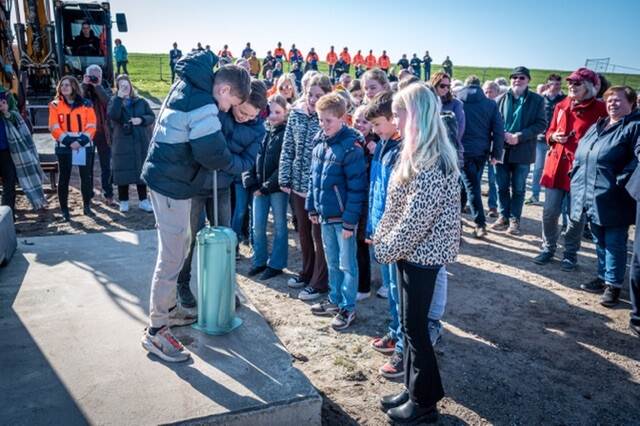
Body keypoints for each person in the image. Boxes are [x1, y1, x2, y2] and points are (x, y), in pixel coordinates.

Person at [140, 51, 251, 363]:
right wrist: (240, 163)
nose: (226, 110)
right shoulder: (202, 102)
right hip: (170, 186)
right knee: (172, 258)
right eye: (230, 104)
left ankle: (170, 311)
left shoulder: (188, 85)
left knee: (181, 245)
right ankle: (157, 330)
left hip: (169, 180)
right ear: (224, 90)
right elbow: (212, 154)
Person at [375, 83, 460, 424]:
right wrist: (384, 239)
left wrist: (384, 248)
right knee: (410, 327)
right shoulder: (418, 152)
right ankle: (413, 389)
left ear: (417, 115)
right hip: (409, 252)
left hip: (422, 254)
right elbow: (396, 208)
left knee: (415, 327)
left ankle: (425, 402)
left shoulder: (431, 160)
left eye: (399, 113)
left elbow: (415, 220)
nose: (394, 120)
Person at [176, 79, 267, 309]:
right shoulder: (220, 111)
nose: (244, 117)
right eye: (242, 111)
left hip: (222, 187)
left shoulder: (257, 129)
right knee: (190, 238)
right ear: (237, 100)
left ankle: (225, 287)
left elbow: (246, 161)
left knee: (225, 239)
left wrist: (223, 161)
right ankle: (183, 284)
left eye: (250, 115)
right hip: (195, 186)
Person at [570, 86, 639, 307]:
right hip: (589, 192)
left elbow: (636, 160)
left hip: (614, 195)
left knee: (614, 241)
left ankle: (614, 285)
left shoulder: (634, 127)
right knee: (599, 238)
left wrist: (621, 180)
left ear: (632, 103)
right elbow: (583, 151)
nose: (612, 104)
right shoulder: (599, 124)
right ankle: (603, 277)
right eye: (609, 100)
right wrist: (575, 171)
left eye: (618, 100)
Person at [533, 69, 606, 267]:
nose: (572, 87)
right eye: (571, 83)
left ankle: (570, 253)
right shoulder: (561, 105)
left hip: (581, 170)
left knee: (575, 215)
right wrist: (552, 137)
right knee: (549, 211)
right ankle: (548, 247)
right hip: (556, 166)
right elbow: (550, 130)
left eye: (577, 84)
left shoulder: (601, 109)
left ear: (589, 87)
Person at [307, 93, 367, 330]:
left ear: (344, 118)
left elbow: (356, 188)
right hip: (324, 215)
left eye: (328, 121)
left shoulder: (351, 147)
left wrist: (350, 222)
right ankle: (334, 299)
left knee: (346, 264)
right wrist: (312, 205)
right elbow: (314, 178)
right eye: (320, 120)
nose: (323, 125)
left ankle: (348, 307)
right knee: (331, 261)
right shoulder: (319, 141)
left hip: (343, 219)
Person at [279, 74, 333, 300]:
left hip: (319, 188)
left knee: (318, 235)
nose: (312, 99)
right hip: (297, 185)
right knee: (303, 233)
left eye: (318, 95)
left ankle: (320, 282)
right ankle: (306, 272)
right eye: (310, 94)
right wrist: (284, 176)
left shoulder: (328, 119)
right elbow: (288, 146)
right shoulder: (296, 114)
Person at [491, 66, 545, 235]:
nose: (517, 80)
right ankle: (503, 216)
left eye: (522, 77)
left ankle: (515, 220)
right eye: (514, 77)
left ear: (528, 80)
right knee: (501, 186)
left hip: (523, 151)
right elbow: (492, 122)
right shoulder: (500, 99)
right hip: (502, 150)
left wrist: (519, 136)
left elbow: (541, 124)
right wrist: (501, 134)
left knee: (519, 188)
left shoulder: (537, 100)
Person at [242, 94, 289, 280]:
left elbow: (283, 165)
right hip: (258, 188)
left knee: (279, 226)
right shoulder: (263, 131)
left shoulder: (286, 134)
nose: (274, 116)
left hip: (276, 189)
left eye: (278, 112)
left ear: (285, 113)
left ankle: (276, 264)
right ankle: (259, 260)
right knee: (257, 226)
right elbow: (253, 158)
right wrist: (251, 182)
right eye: (271, 112)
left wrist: (267, 186)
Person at [458, 75, 505, 238]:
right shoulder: (490, 104)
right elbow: (498, 130)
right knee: (470, 184)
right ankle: (469, 221)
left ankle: (479, 223)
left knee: (469, 185)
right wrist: (496, 153)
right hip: (480, 152)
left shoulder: (458, 101)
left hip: (460, 151)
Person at [48, 76, 97, 221]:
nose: (64, 87)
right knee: (64, 177)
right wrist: (69, 141)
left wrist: (81, 141)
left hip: (84, 146)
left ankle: (87, 207)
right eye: (62, 85)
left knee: (86, 177)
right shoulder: (55, 105)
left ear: (74, 86)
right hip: (64, 147)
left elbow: (92, 125)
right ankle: (64, 210)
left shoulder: (87, 104)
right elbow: (54, 126)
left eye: (67, 85)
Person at [107, 74, 155, 213]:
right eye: (121, 85)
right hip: (122, 142)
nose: (125, 88)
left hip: (139, 141)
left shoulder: (141, 101)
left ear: (130, 86)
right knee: (123, 171)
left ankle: (143, 201)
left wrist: (141, 120)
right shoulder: (114, 101)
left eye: (126, 85)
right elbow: (113, 115)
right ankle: (124, 201)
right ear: (117, 87)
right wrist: (119, 98)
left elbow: (151, 116)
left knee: (140, 171)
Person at [0, 91, 45, 214]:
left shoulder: (6, 94)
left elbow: (16, 116)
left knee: (9, 184)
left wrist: (6, 112)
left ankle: (8, 216)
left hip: (5, 149)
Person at [526, 73, 566, 205]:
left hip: (557, 141)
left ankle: (552, 199)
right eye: (552, 83)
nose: (555, 86)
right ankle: (535, 195)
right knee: (538, 168)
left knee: (556, 169)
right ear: (547, 84)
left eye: (558, 84)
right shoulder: (540, 99)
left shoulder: (565, 100)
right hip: (540, 139)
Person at [352, 104, 378, 301]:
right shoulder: (353, 141)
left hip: (366, 201)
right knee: (354, 244)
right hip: (354, 199)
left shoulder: (374, 145)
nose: (360, 124)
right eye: (357, 120)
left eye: (365, 121)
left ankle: (364, 286)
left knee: (362, 243)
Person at [82, 64, 114, 205]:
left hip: (103, 133)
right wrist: (84, 85)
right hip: (87, 133)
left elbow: (108, 103)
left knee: (106, 166)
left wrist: (98, 86)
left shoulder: (106, 88)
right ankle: (88, 195)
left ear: (101, 76)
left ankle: (108, 194)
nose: (95, 78)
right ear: (87, 75)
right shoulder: (81, 88)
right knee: (87, 166)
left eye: (98, 76)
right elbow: (77, 101)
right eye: (92, 76)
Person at [482, 80, 501, 217]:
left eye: (491, 91)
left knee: (493, 179)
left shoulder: (499, 106)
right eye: (486, 91)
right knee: (475, 178)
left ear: (497, 92)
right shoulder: (481, 106)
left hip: (494, 147)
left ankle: (493, 206)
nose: (488, 94)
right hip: (481, 147)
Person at [431, 72, 465, 143]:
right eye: (442, 86)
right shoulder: (428, 102)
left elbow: (459, 129)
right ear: (434, 85)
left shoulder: (456, 104)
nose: (446, 89)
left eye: (448, 86)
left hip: (449, 145)